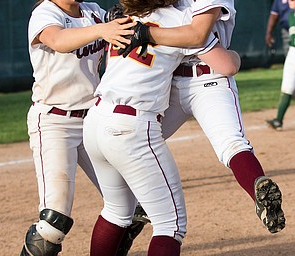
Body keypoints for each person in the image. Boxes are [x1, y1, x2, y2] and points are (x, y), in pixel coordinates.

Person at [81, 0, 243, 254]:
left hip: (95, 121)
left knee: (116, 211)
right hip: (131, 126)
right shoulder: (181, 20)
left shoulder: (123, 19)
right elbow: (225, 65)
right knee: (171, 225)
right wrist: (234, 55)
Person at [119, 0, 286, 235]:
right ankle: (133, 209)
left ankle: (259, 187)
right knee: (135, 139)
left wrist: (145, 30)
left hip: (209, 76)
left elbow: (197, 35)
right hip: (170, 79)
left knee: (229, 143)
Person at [19, 0, 138, 255]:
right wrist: (102, 30)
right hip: (55, 122)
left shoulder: (93, 11)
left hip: (94, 119)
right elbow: (59, 40)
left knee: (134, 205)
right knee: (54, 221)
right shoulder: (45, 13)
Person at [266, 0, 295, 130]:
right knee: (288, 85)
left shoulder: (291, 15)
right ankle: (278, 119)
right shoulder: (290, 15)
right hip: (292, 51)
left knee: (288, 84)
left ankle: (278, 120)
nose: (291, 2)